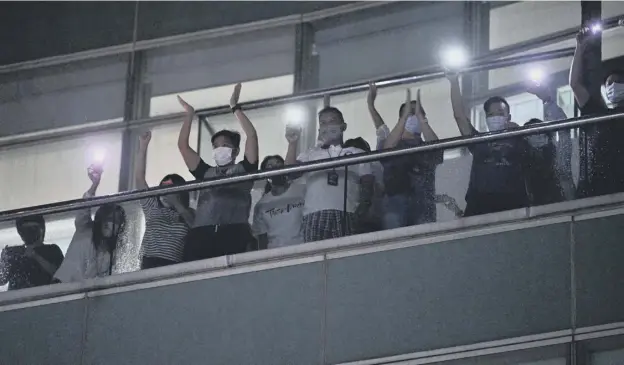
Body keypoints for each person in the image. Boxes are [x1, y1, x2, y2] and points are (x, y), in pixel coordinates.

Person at [177, 83, 258, 261]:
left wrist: (235, 107)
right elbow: (183, 146)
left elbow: (251, 135)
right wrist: (189, 114)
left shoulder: (244, 170)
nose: (220, 149)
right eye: (215, 146)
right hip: (202, 234)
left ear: (236, 151)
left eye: (225, 146)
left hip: (234, 232)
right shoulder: (206, 172)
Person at [285, 105, 374, 242]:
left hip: (347, 213)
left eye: (332, 121)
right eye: (323, 123)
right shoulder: (310, 154)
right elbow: (290, 173)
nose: (328, 126)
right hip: (314, 214)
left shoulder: (357, 153)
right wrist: (292, 143)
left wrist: (361, 212)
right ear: (319, 129)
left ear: (343, 126)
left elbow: (367, 183)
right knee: (315, 257)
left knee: (344, 257)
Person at [447, 72, 530, 216]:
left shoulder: (519, 138)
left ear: (508, 117)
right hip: (480, 203)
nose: (495, 117)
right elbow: (459, 116)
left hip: (513, 203)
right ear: (486, 119)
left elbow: (538, 153)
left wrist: (520, 131)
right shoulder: (479, 141)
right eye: (490, 115)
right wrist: (454, 81)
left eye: (499, 113)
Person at [368, 83, 443, 229]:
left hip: (424, 205)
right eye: (410, 114)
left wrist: (422, 119)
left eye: (418, 114)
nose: (414, 116)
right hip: (394, 205)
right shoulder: (392, 142)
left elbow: (437, 149)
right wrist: (371, 105)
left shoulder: (426, 146)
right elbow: (384, 141)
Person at [570, 27, 624, 198]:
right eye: (608, 84)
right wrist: (579, 47)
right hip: (602, 184)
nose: (612, 87)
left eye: (618, 82)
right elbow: (575, 85)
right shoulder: (599, 114)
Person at [54, 166, 127, 283]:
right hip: (62, 285)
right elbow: (83, 209)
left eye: (116, 221)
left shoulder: (110, 253)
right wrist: (94, 185)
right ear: (101, 218)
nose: (111, 224)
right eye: (108, 218)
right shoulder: (85, 229)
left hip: (83, 295)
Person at [135, 131, 193, 269]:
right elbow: (139, 178)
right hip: (149, 262)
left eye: (170, 188)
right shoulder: (153, 207)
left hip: (174, 264)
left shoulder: (188, 213)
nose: (166, 192)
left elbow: (195, 227)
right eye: (163, 188)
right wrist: (143, 147)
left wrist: (177, 204)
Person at [524, 81, 574, 205]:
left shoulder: (558, 159)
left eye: (541, 132)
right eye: (532, 133)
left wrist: (547, 100)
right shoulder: (522, 164)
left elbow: (564, 130)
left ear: (548, 137)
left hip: (563, 210)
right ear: (525, 139)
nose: (538, 136)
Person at [252, 155, 305, 250]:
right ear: (265, 174)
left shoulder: (301, 190)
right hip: (275, 253)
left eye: (278, 164)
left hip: (302, 249)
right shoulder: (261, 205)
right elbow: (262, 238)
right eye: (270, 166)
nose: (276, 168)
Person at [0, 215, 63, 290]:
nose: (29, 232)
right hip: (18, 298)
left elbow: (61, 275)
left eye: (33, 228)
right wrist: (4, 262)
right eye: (25, 230)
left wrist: (36, 256)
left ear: (42, 229)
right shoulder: (13, 253)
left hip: (46, 296)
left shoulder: (52, 250)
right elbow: (2, 280)